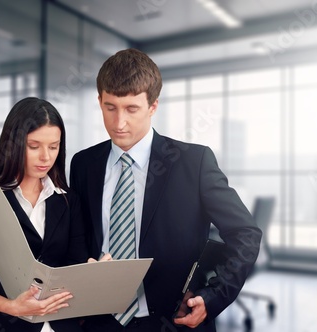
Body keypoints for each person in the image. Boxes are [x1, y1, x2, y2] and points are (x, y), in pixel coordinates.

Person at [70, 48, 262, 331]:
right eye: (110, 107)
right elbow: (79, 236)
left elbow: (245, 233)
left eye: (131, 109)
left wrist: (212, 297)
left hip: (173, 321)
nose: (119, 122)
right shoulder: (84, 163)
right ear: (99, 101)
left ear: (153, 106)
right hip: (100, 321)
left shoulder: (193, 162)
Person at [0, 97, 89, 332]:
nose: (46, 157)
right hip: (1, 324)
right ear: (12, 144)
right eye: (34, 146)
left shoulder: (68, 200)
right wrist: (11, 306)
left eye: (53, 146)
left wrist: (92, 270)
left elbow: (74, 265)